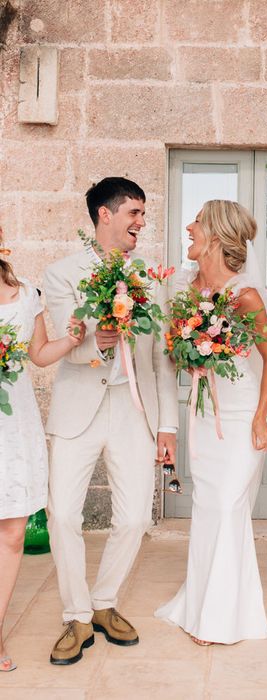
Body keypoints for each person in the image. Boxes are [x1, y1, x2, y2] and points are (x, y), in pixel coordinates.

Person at [43, 177, 178, 665]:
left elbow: (162, 357)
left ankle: (104, 602)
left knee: (137, 517)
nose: (141, 223)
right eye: (134, 213)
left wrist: (168, 427)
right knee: (61, 515)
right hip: (78, 406)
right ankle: (75, 615)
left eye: (142, 214)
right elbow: (63, 340)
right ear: (105, 214)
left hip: (132, 410)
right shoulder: (61, 274)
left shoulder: (149, 276)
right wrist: (94, 339)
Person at [155, 200, 267, 645]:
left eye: (196, 223)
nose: (188, 228)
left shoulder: (243, 295)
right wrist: (185, 352)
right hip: (204, 416)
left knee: (228, 506)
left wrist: (262, 416)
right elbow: (173, 355)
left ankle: (222, 618)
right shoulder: (189, 293)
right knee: (208, 508)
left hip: (240, 417)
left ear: (214, 235)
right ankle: (205, 602)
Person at [0, 227, 85, 672]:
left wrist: (72, 339)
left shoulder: (26, 294)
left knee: (13, 531)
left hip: (13, 421)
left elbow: (38, 354)